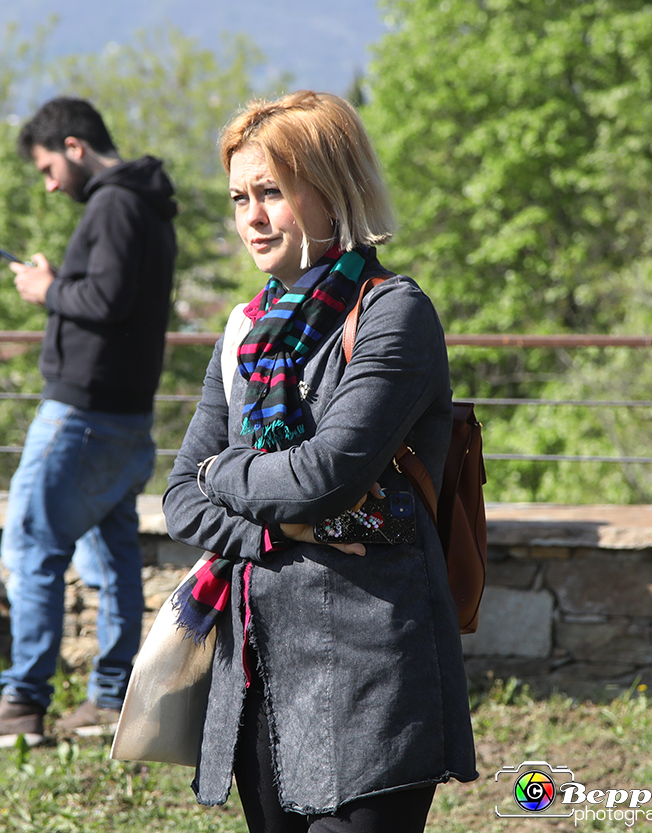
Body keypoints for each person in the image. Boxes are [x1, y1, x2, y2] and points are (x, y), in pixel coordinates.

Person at [161, 90, 477, 831]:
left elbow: (323, 473)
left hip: (374, 670)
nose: (253, 218)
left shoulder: (394, 313)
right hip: (257, 667)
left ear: (334, 192)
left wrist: (222, 475)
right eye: (241, 197)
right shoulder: (243, 331)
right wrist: (280, 532)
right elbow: (179, 498)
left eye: (272, 191)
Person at [0, 97, 178, 746]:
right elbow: (116, 296)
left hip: (81, 412)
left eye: (48, 167)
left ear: (75, 147)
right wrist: (58, 280)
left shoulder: (113, 203)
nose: (49, 185)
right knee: (112, 551)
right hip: (126, 412)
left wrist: (45, 290)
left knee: (30, 549)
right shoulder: (148, 206)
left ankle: (22, 702)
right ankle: (111, 699)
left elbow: (102, 300)